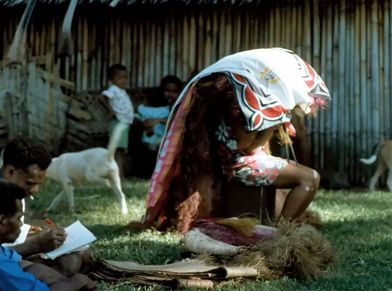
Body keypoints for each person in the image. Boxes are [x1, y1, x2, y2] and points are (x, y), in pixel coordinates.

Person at [138, 48, 331, 233]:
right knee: (309, 178)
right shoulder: (237, 111)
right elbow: (247, 146)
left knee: (308, 177)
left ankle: (281, 229)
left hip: (246, 161)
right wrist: (273, 124)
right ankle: (280, 234)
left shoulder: (242, 105)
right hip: (239, 166)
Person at [0, 138, 93, 276]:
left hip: (8, 259)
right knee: (69, 262)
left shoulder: (13, 191)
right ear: (11, 172)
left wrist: (34, 232)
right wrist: (36, 245)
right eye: (30, 183)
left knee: (82, 252)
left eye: (39, 184)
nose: (34, 190)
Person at [0, 180, 100, 291]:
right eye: (19, 218)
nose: (21, 225)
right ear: (2, 221)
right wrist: (79, 281)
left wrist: (62, 283)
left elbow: (27, 267)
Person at [133, 75, 183, 177]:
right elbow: (140, 116)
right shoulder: (154, 105)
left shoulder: (179, 106)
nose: (170, 94)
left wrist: (159, 120)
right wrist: (147, 125)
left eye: (174, 92)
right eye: (167, 91)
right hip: (151, 141)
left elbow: (178, 121)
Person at [102, 64, 135, 177]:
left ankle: (119, 174)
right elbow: (102, 97)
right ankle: (119, 175)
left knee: (120, 150)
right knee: (117, 151)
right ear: (111, 80)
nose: (123, 80)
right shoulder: (113, 89)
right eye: (120, 78)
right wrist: (110, 110)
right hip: (117, 123)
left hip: (123, 123)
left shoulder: (122, 92)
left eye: (125, 77)